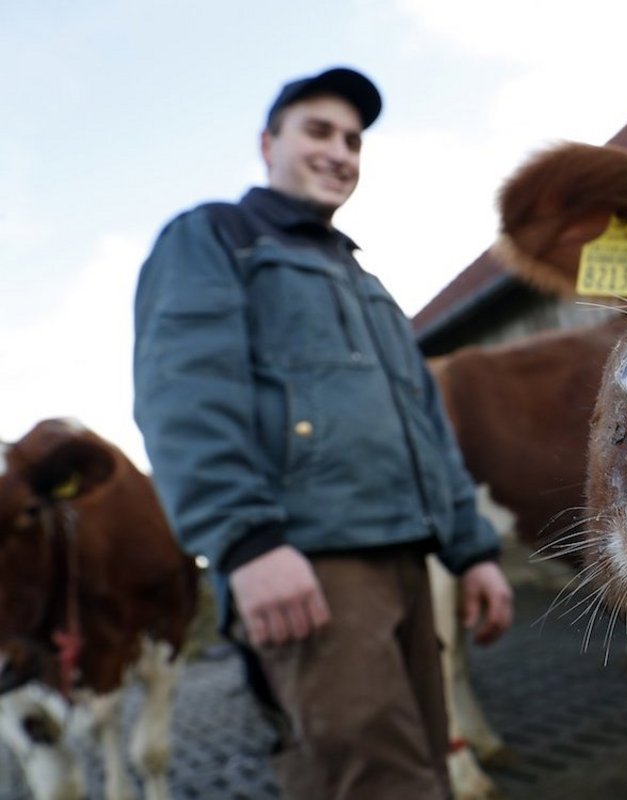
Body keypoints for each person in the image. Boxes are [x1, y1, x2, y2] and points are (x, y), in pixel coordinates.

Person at [132, 66, 513, 799]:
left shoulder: (367, 286)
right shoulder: (212, 237)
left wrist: (475, 550)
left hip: (409, 557)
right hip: (311, 565)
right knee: (374, 780)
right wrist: (247, 540)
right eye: (319, 131)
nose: (341, 152)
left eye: (353, 140)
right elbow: (183, 395)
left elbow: (427, 428)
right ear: (267, 142)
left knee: (427, 767)